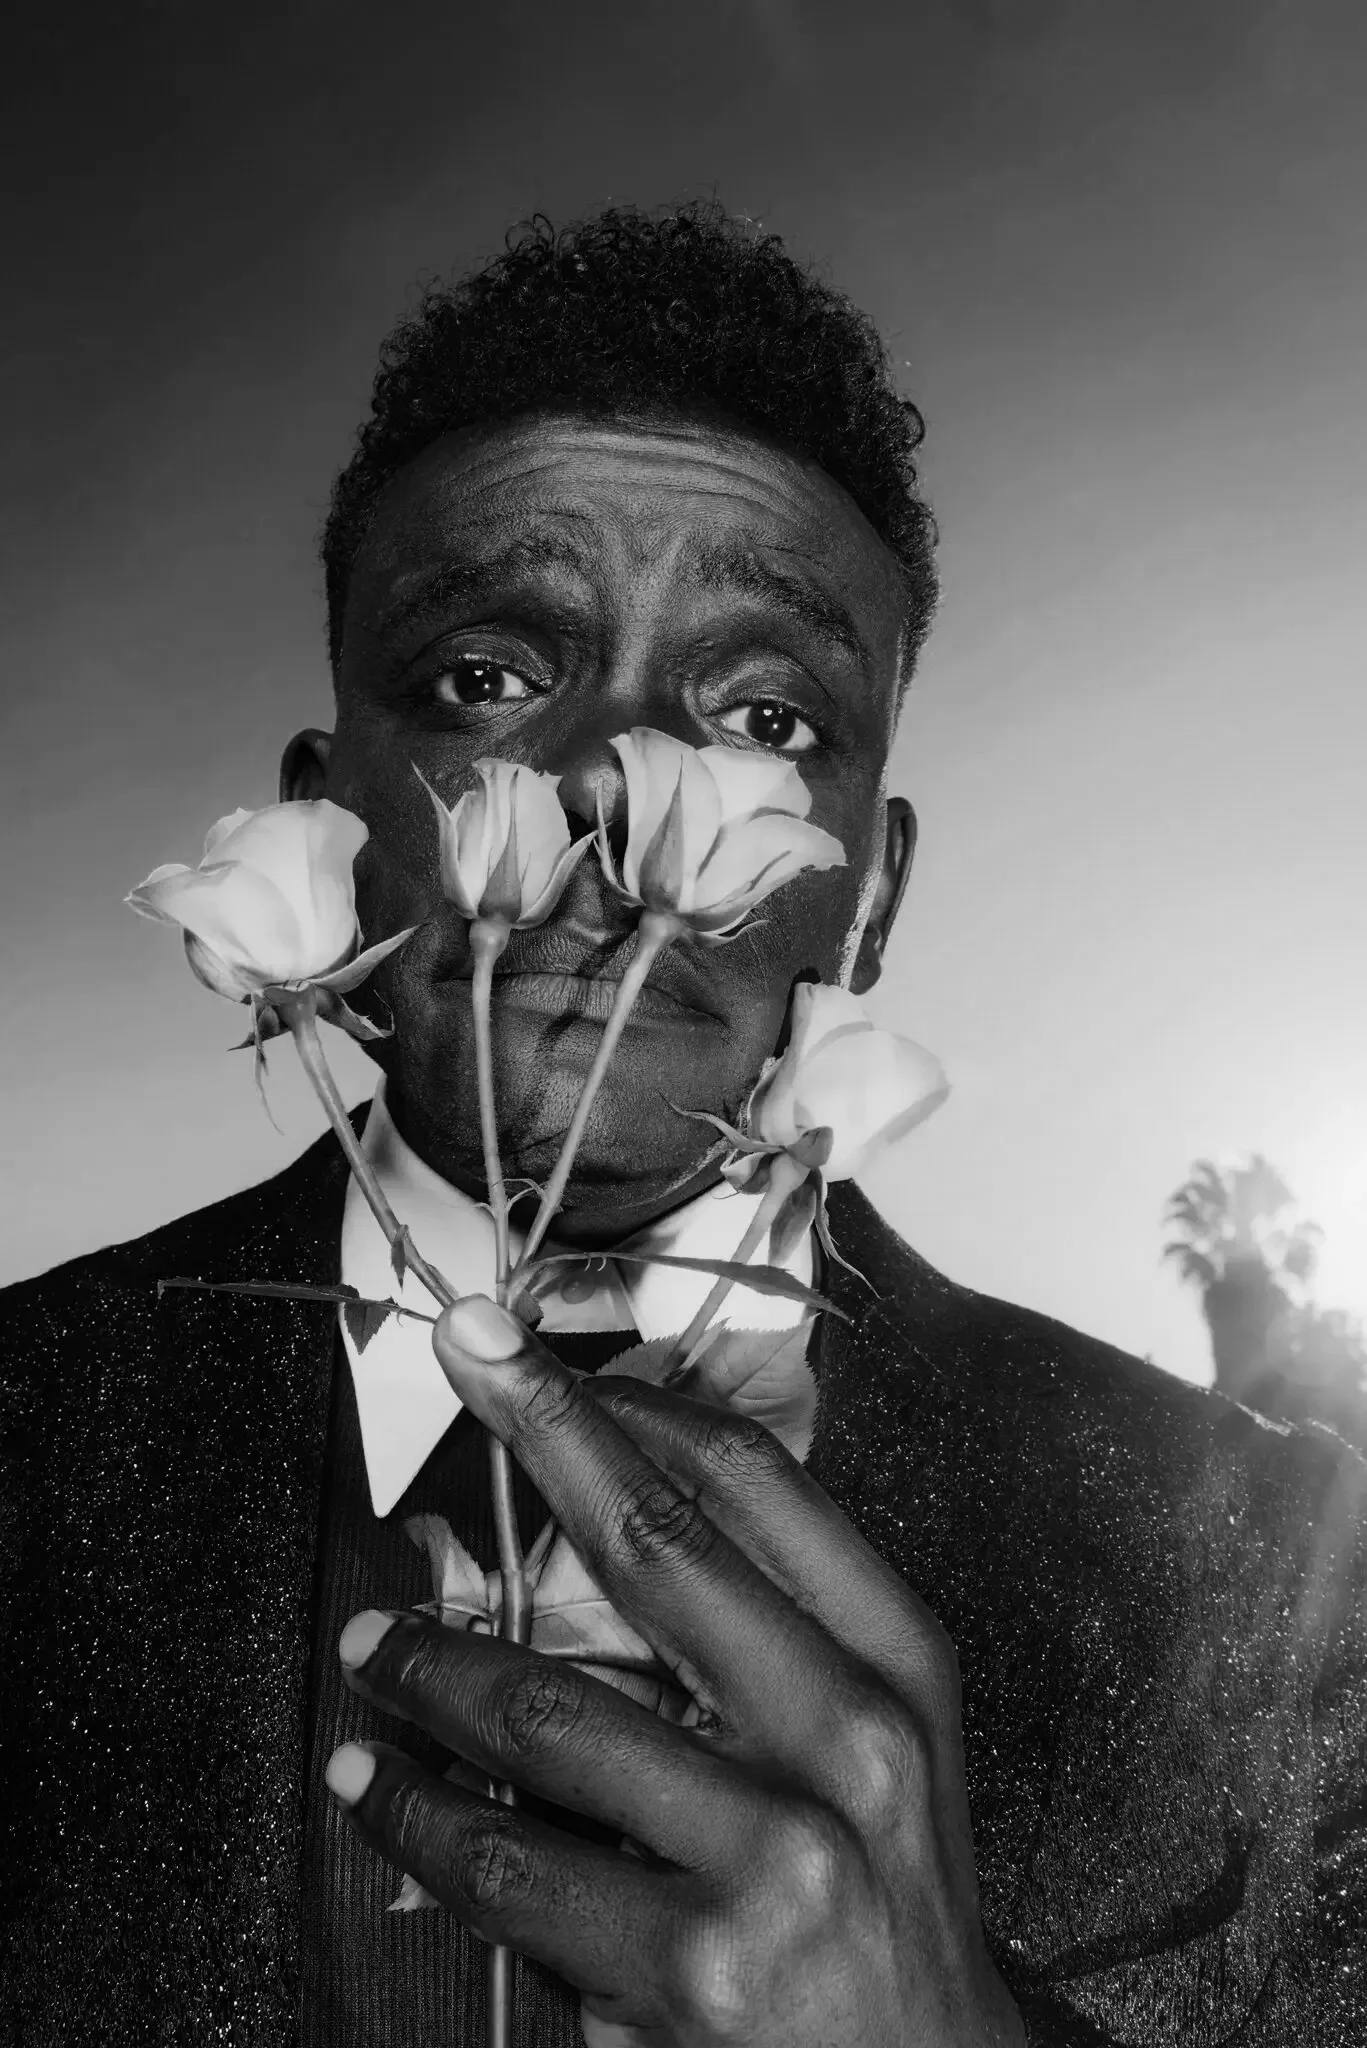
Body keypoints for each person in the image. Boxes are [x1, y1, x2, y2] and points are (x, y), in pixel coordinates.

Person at [4, 200, 1364, 2048]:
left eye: (763, 712)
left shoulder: (1300, 1593)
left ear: (866, 895)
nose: (603, 779)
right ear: (329, 824)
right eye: (486, 677)